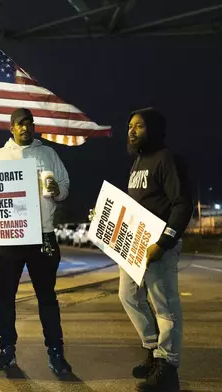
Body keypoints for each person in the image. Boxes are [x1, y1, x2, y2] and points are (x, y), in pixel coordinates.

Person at [0, 108, 72, 375]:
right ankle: (6, 350)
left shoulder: (48, 154)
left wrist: (58, 190)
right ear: (11, 128)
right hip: (10, 238)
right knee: (5, 297)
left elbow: (64, 187)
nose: (26, 128)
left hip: (43, 235)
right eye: (20, 124)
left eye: (30, 123)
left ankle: (56, 352)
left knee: (47, 297)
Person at [120, 108, 192, 392]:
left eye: (138, 126)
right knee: (128, 296)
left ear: (154, 129)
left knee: (165, 306)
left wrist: (165, 242)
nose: (131, 130)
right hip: (135, 245)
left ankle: (168, 365)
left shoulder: (167, 159)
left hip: (158, 246)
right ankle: (153, 350)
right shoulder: (137, 162)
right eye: (129, 126)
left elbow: (182, 204)